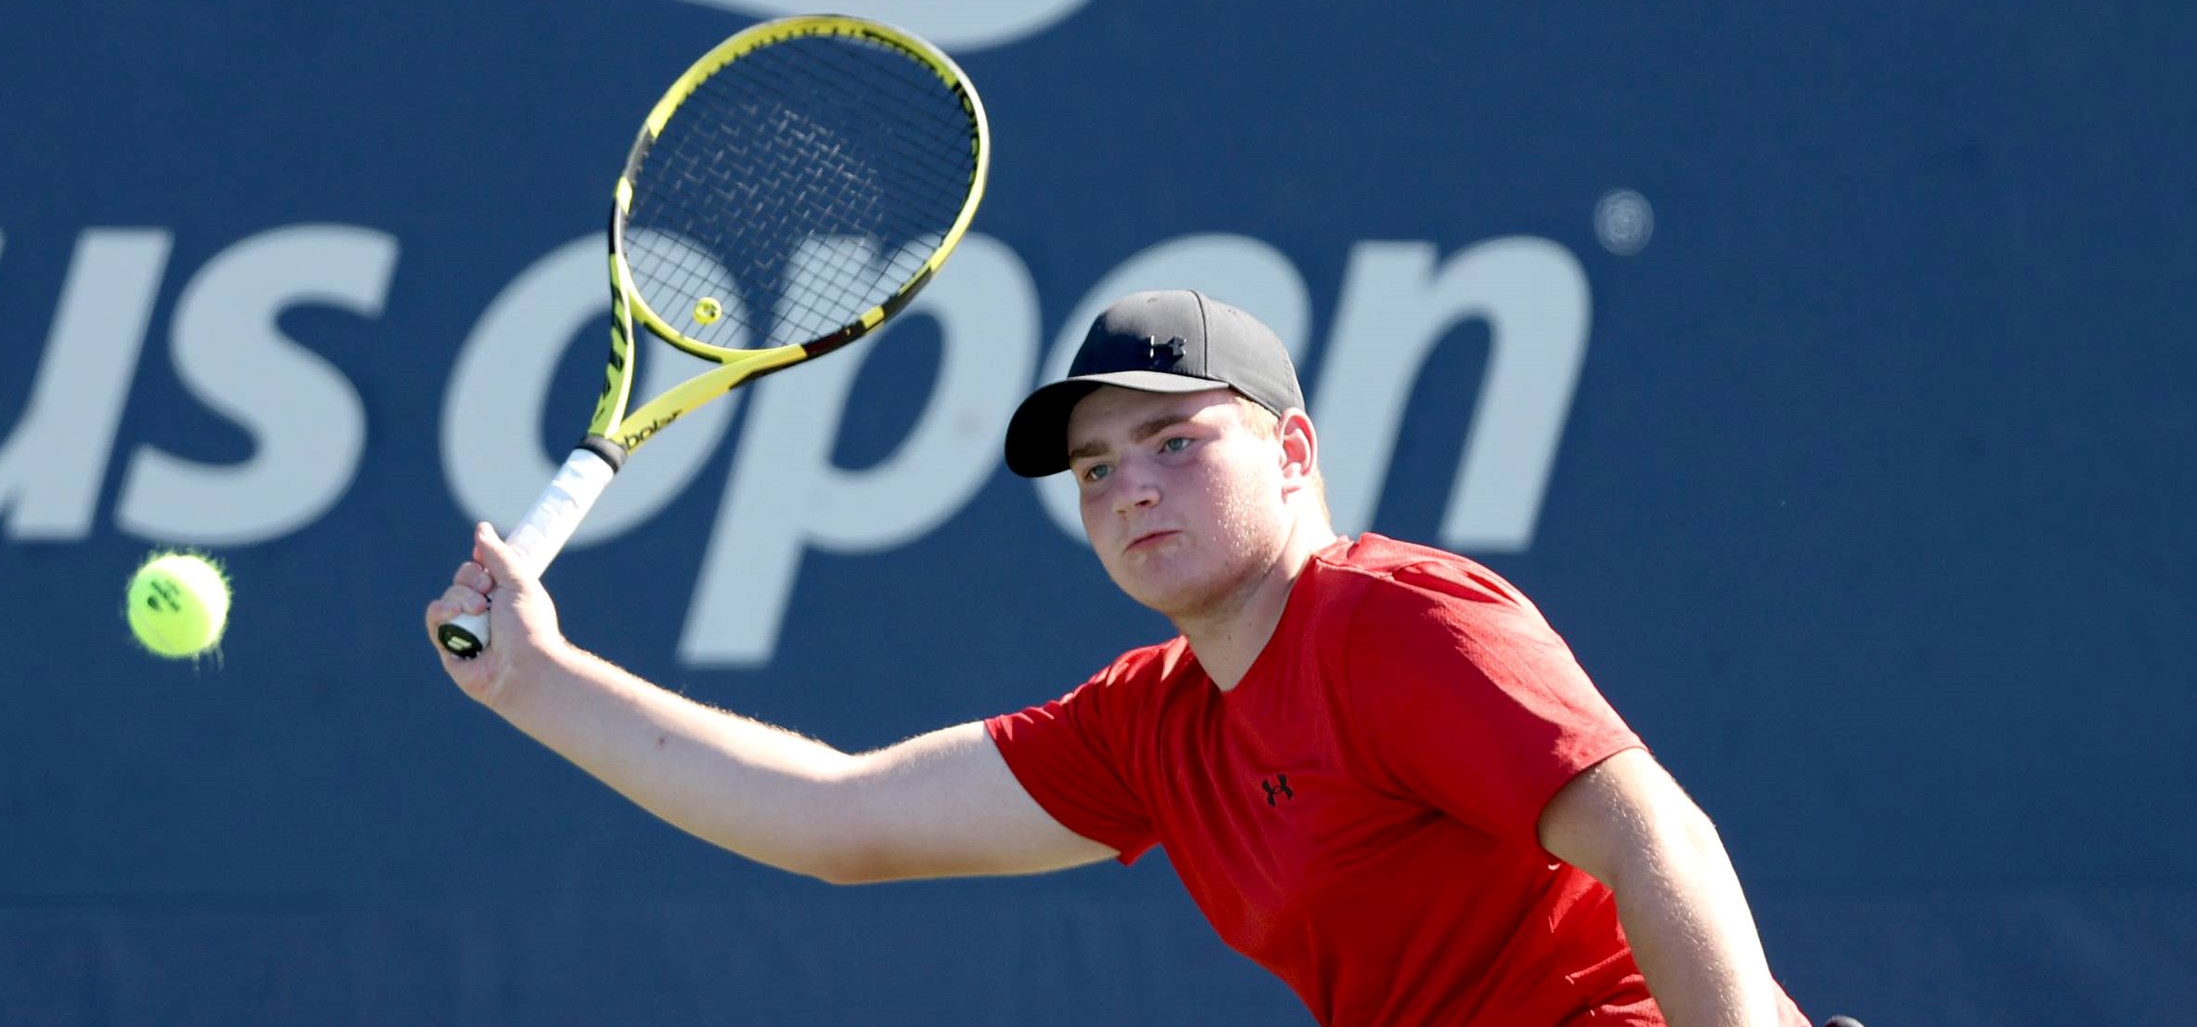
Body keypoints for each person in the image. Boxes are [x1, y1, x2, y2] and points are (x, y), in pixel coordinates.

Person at [424, 290, 1813, 1027]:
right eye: (1094, 468)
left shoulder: (1396, 623)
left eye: (1173, 442)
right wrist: (535, 679)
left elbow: (1652, 831)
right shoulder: (1155, 728)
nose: (1128, 488)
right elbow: (839, 818)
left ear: (1292, 450)